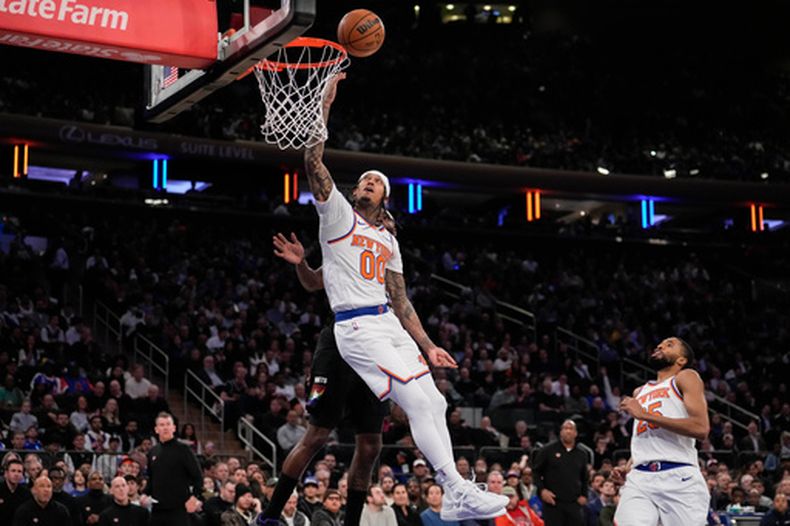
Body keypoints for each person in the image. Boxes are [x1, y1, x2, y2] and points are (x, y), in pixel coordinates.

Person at [302, 73, 506, 522]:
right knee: (413, 401)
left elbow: (401, 299)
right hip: (355, 325)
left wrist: (429, 344)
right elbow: (314, 162)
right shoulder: (338, 217)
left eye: (376, 181)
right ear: (356, 192)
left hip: (389, 324)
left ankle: (454, 494)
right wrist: (325, 102)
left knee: (435, 401)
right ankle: (454, 486)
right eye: (365, 180)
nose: (369, 182)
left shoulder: (389, 241)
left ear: (386, 196)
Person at [259, 232, 392, 526]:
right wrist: (301, 263)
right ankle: (269, 516)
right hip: (340, 343)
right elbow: (311, 282)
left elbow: (402, 303)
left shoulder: (389, 250)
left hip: (376, 348)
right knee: (317, 434)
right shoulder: (344, 241)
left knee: (371, 444)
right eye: (366, 182)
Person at [612, 337, 710, 526]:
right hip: (640, 477)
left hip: (678, 475)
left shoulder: (685, 377)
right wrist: (628, 466)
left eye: (669, 344)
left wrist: (644, 414)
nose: (660, 346)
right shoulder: (639, 392)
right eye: (660, 344)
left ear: (681, 360)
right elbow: (647, 437)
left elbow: (701, 428)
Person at [148, 412, 204, 526]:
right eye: (162, 425)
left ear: (173, 428)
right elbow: (152, 478)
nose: (165, 428)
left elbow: (198, 477)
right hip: (158, 509)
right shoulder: (153, 451)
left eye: (168, 424)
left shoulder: (183, 449)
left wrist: (194, 497)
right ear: (156, 429)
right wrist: (145, 493)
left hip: (178, 509)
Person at [532, 420, 588, 526]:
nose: (568, 431)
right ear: (561, 432)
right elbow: (536, 472)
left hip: (573, 502)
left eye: (571, 429)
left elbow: (584, 477)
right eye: (565, 428)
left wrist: (584, 495)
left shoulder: (582, 454)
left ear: (575, 433)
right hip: (553, 502)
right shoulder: (547, 450)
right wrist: (542, 490)